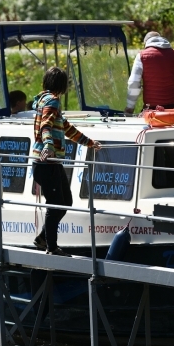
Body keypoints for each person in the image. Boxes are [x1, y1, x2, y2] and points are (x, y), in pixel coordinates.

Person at [31, 67, 101, 256]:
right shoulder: (52, 101)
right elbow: (45, 125)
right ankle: (51, 247)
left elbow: (67, 129)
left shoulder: (45, 101)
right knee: (56, 204)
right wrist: (48, 145)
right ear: (61, 85)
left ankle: (43, 237)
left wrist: (89, 143)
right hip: (47, 163)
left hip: (50, 163)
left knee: (66, 201)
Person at [124, 31, 174, 115]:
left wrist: (130, 106)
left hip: (153, 111)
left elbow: (134, 83)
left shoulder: (142, 56)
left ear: (146, 43)